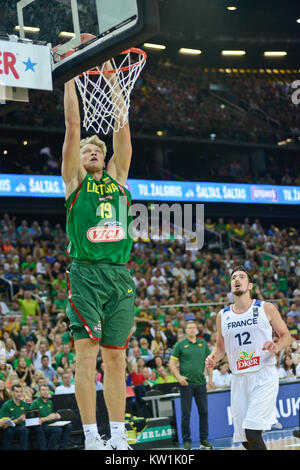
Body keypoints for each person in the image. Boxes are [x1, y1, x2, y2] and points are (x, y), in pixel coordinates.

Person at [62, 51, 136, 451]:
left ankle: (119, 437)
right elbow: (74, 127)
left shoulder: (119, 179)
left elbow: (122, 128)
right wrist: (72, 74)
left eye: (97, 150)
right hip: (87, 273)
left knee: (117, 360)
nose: (92, 151)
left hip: (120, 275)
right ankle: (93, 437)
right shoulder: (75, 182)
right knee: (86, 357)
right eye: (87, 150)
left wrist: (111, 76)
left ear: (106, 158)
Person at [205, 265, 292, 451]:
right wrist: (213, 358)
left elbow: (286, 335)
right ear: (230, 285)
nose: (237, 280)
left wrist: (277, 346)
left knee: (252, 432)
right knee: (245, 439)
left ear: (250, 285)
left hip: (263, 375)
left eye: (241, 277)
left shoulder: (265, 308)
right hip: (238, 379)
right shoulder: (223, 315)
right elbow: (220, 347)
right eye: (233, 277)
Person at [168, 320, 214, 450]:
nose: (192, 329)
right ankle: (187, 441)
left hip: (201, 383)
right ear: (186, 330)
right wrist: (178, 377)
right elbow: (171, 363)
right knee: (186, 414)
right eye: (189, 328)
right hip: (186, 384)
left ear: (197, 330)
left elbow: (209, 362)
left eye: (194, 327)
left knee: (204, 412)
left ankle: (204, 440)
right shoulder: (180, 345)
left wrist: (210, 379)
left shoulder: (203, 344)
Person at [30, 384, 72, 450]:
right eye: (43, 390)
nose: (45, 392)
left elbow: (51, 415)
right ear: (39, 392)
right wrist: (47, 418)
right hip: (41, 427)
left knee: (68, 426)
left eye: (47, 390)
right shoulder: (35, 403)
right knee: (57, 429)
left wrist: (56, 416)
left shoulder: (50, 402)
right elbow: (32, 420)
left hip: (50, 424)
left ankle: (63, 448)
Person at [0, 383, 30, 450]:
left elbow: (30, 417)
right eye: (16, 391)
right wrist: (18, 420)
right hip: (9, 428)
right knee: (9, 432)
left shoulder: (25, 405)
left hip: (22, 427)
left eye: (20, 391)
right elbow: (3, 424)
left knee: (25, 430)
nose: (19, 394)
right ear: (12, 392)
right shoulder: (6, 405)